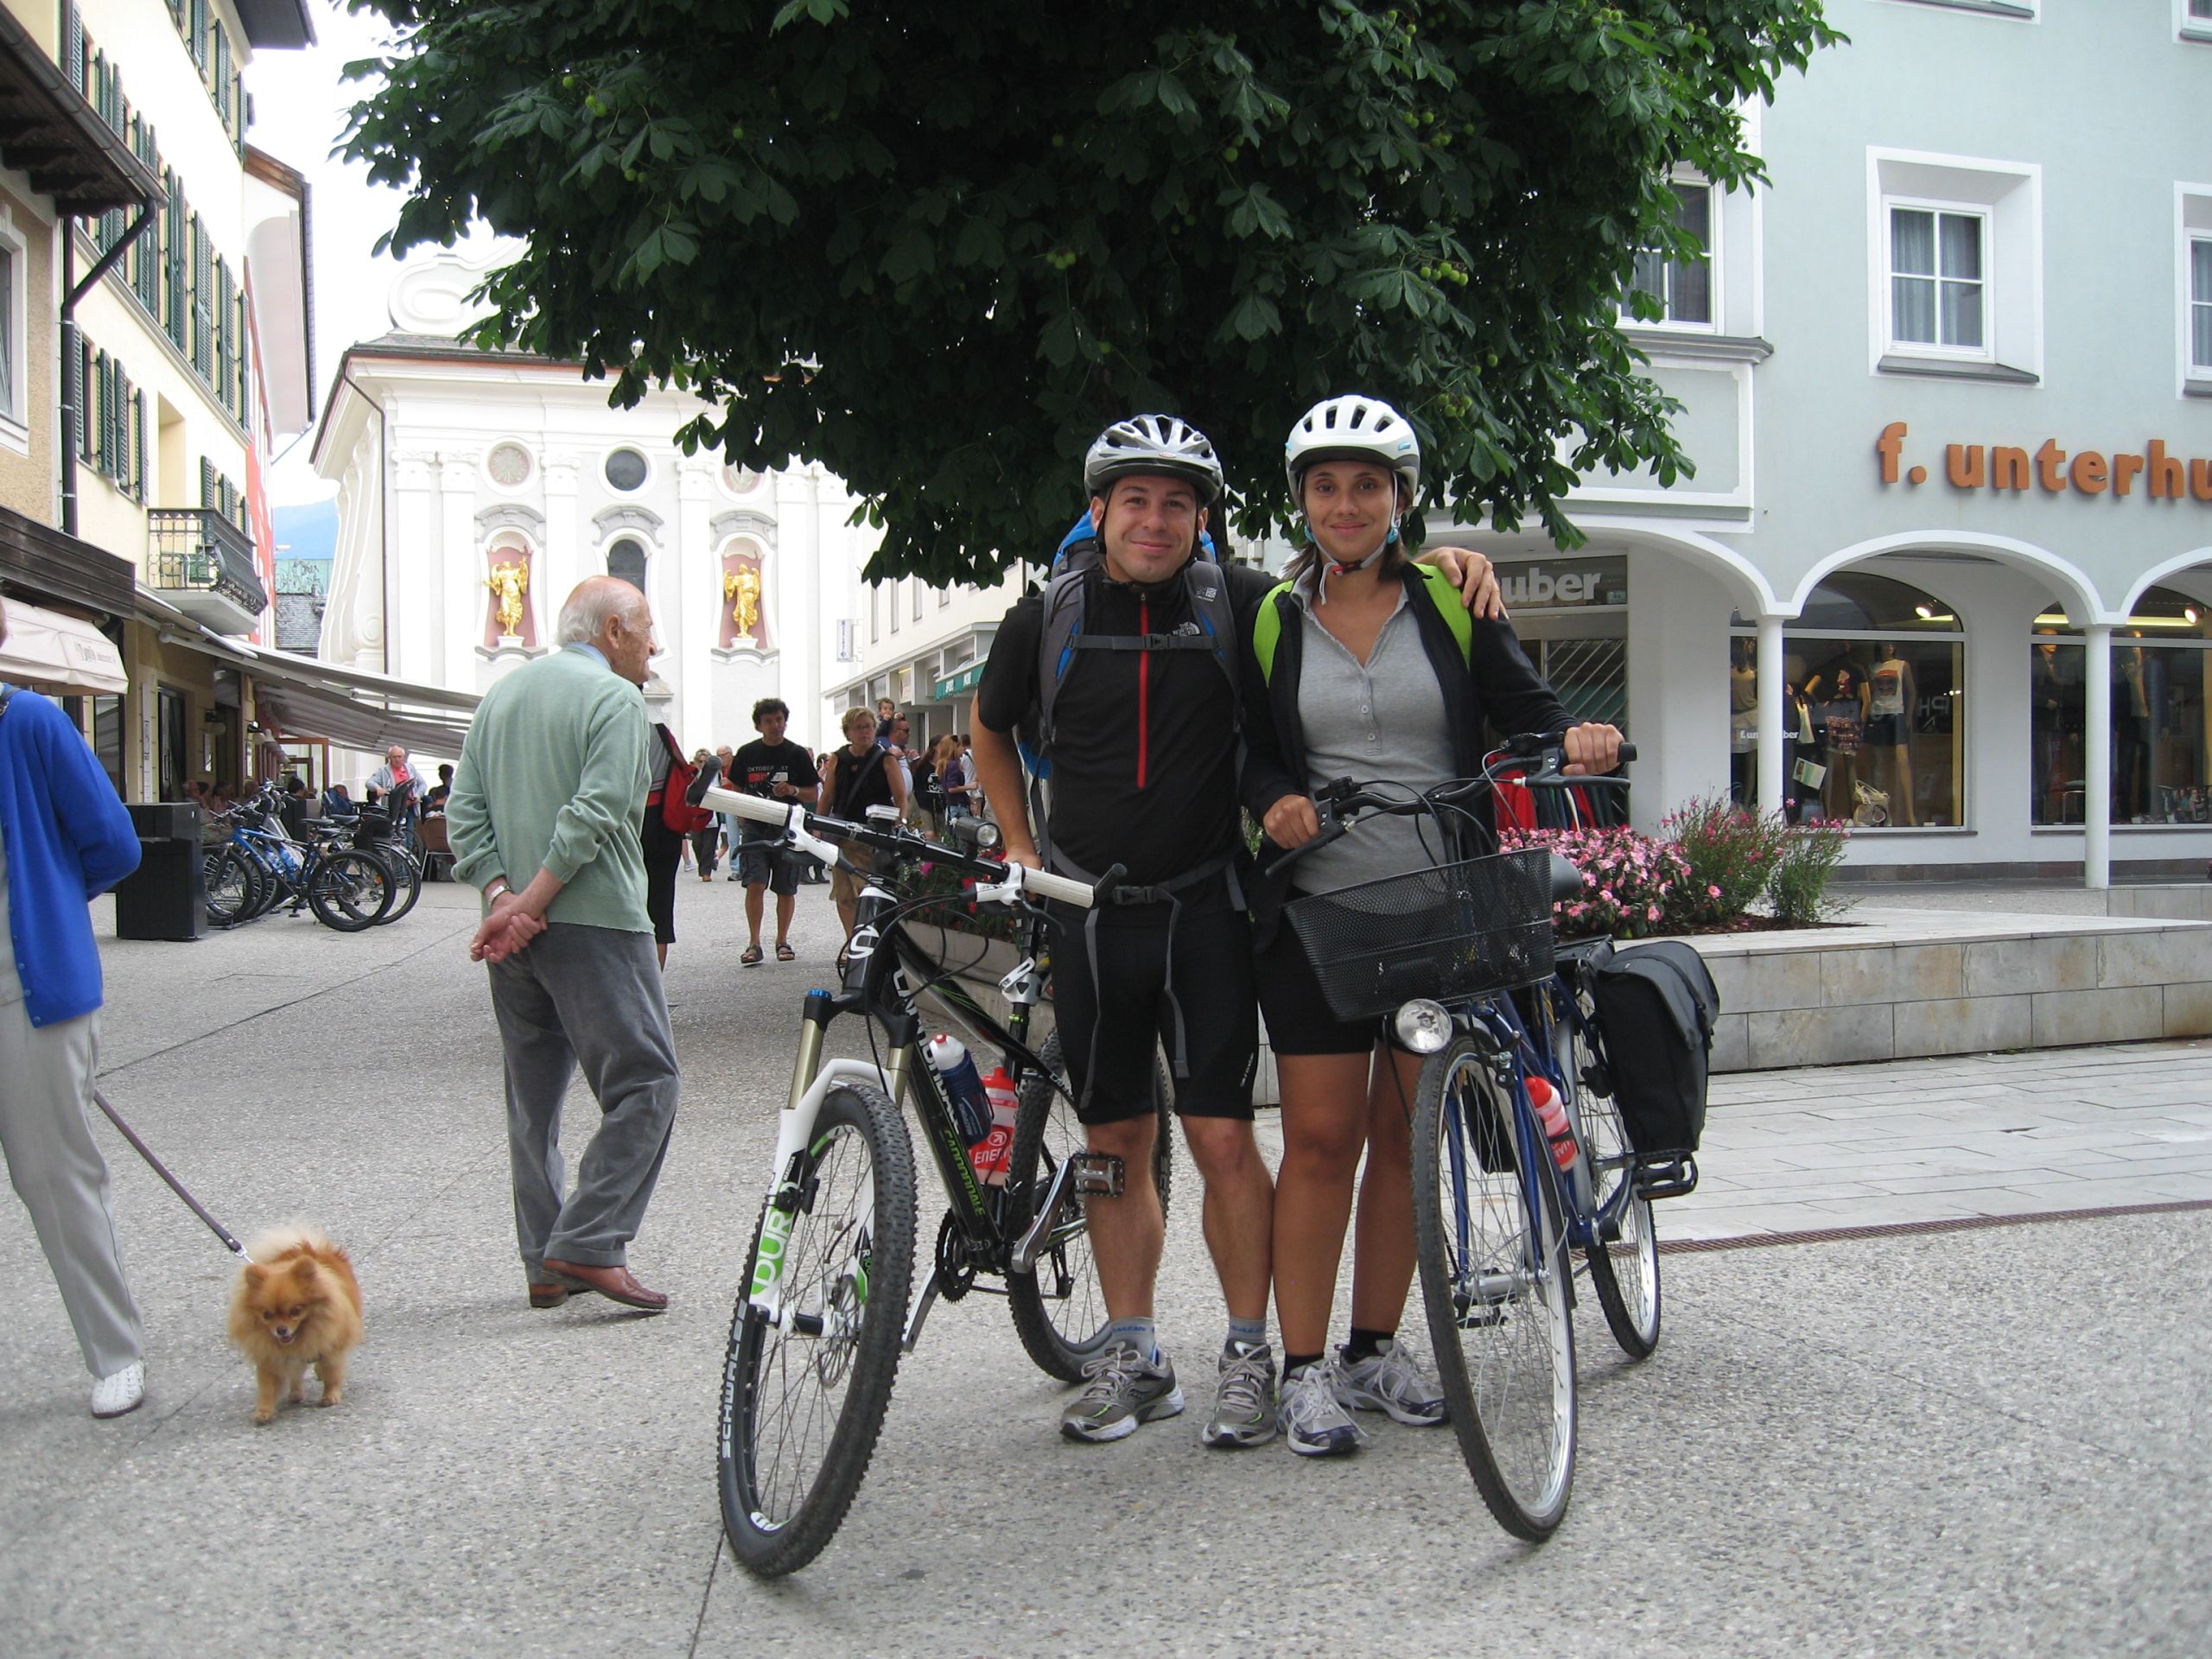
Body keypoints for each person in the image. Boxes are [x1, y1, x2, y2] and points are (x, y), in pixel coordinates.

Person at [969, 411, 1503, 1451]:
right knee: (1111, 1140)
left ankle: (1250, 1354)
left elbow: (1346, 583)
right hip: (1085, 914)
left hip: (1206, 906)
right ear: (1099, 511)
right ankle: (1133, 1350)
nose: (1155, 520)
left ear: (1203, 519)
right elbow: (991, 730)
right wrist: (1016, 842)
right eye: (1135, 500)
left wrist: (1448, 559)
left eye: (1176, 502)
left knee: (1222, 1138)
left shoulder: (1242, 602)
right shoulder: (1045, 617)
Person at [1241, 394, 1620, 1457]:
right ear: (1301, 501)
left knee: (1409, 1141)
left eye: (1367, 484)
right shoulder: (1271, 617)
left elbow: (1530, 711)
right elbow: (1251, 746)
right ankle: (1303, 1369)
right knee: (1319, 1141)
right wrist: (1273, 794)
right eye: (1325, 485)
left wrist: (1576, 738)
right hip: (1317, 913)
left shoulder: (1453, 602)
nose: (1346, 504)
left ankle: (1373, 1348)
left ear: (1400, 497)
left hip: (1438, 912)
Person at [445, 575, 680, 1313]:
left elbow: (464, 811)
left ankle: (544, 1261)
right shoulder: (615, 698)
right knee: (647, 1083)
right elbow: (601, 811)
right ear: (613, 630)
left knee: (533, 1099)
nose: (654, 645)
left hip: (515, 929)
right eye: (646, 630)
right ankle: (588, 1241)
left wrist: (501, 902)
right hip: (595, 921)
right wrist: (532, 903)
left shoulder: (502, 697)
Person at [0, 601, 149, 1416]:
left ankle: (115, 1352)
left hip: (29, 992)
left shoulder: (28, 722)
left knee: (56, 1179)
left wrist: (51, 902)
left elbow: (114, 844)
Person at [729, 698, 819, 963]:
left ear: (785, 722)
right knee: (755, 883)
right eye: (768, 721)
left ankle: (782, 940)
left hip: (788, 827)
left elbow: (813, 792)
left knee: (786, 887)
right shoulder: (746, 753)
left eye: (779, 720)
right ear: (759, 725)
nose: (775, 726)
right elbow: (734, 787)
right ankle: (754, 943)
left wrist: (792, 790)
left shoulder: (797, 754)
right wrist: (741, 813)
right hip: (755, 828)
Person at [818, 707, 908, 936]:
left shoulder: (885, 758)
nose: (864, 732)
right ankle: (852, 939)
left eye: (868, 727)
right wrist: (818, 826)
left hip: (874, 833)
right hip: (843, 833)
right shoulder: (839, 758)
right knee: (844, 891)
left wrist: (901, 821)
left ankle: (870, 937)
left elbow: (900, 797)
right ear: (848, 732)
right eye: (858, 728)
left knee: (867, 888)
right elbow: (827, 796)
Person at [639, 722, 693, 968]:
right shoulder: (659, 731)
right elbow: (682, 769)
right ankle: (654, 986)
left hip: (628, 821)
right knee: (660, 905)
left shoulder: (609, 726)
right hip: (664, 821)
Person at [370, 745, 418, 824]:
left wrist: (418, 794)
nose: (397, 760)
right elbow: (370, 782)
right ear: (389, 758)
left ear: (404, 757)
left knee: (408, 832)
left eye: (399, 757)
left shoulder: (410, 768)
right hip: (394, 807)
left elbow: (422, 784)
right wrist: (378, 788)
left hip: (410, 806)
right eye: (394, 757)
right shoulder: (383, 771)